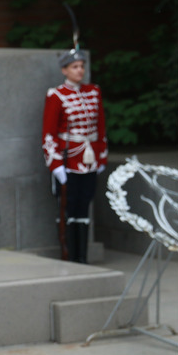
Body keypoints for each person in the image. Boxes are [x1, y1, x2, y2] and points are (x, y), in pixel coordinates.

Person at [42, 48, 108, 263]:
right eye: (75, 67)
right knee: (69, 210)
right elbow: (49, 133)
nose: (80, 71)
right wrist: (56, 165)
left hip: (89, 160)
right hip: (69, 160)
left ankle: (83, 256)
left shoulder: (93, 92)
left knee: (84, 208)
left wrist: (101, 158)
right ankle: (71, 256)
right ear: (64, 70)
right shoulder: (57, 95)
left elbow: (100, 128)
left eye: (82, 66)